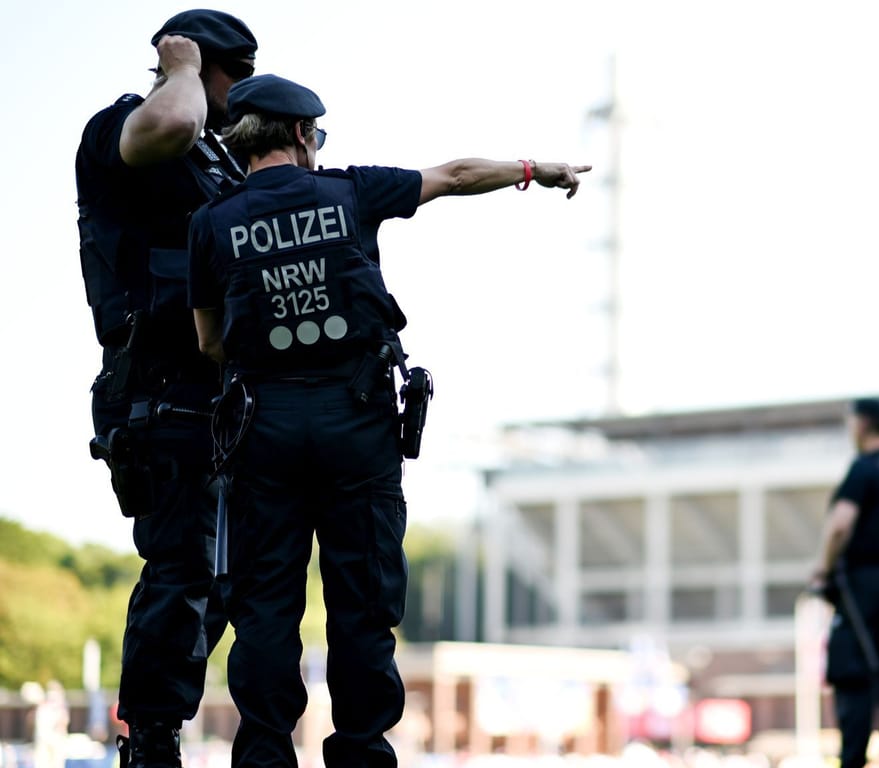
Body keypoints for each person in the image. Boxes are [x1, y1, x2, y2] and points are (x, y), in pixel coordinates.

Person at [186, 74, 589, 768]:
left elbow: (210, 341)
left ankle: (263, 756)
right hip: (357, 424)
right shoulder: (352, 191)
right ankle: (363, 753)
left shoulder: (211, 223)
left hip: (266, 433)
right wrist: (536, 170)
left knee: (265, 609)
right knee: (364, 604)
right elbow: (456, 175)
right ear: (302, 136)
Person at [74, 10, 257, 767]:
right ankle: (146, 743)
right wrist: (179, 67)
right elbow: (173, 123)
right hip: (158, 384)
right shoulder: (129, 128)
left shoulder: (218, 159)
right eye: (233, 75)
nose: (241, 91)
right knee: (182, 568)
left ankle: (163, 730)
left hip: (220, 394)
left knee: (220, 583)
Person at [810, 398, 879, 768]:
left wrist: (822, 569)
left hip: (862, 587)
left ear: (864, 424)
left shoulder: (865, 468)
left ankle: (852, 760)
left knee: (853, 675)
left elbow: (840, 523)